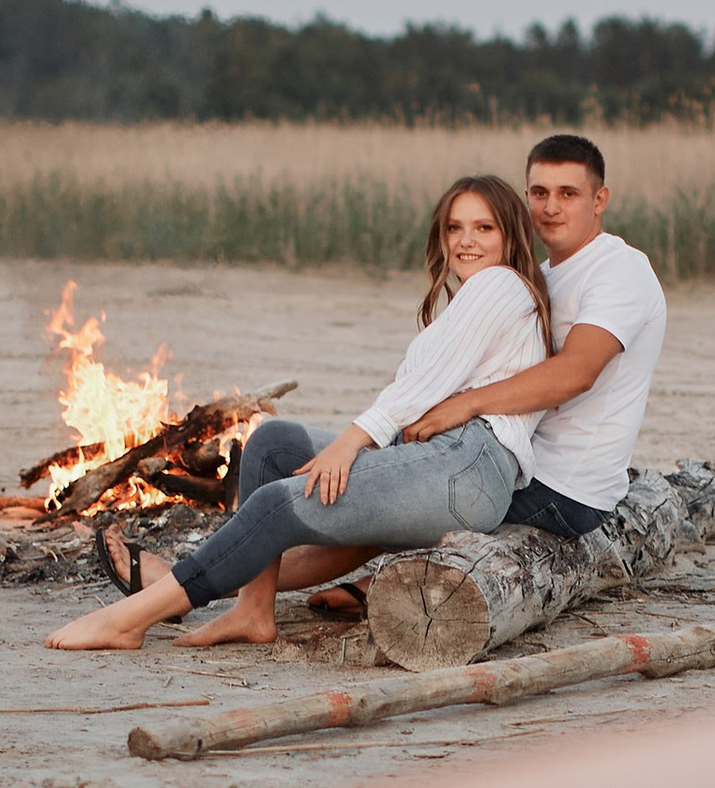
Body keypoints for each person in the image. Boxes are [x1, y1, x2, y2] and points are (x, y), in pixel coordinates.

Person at [45, 175, 549, 653]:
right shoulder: (485, 299)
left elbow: (417, 391)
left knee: (277, 505)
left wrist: (351, 443)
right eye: (454, 227)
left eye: (484, 228)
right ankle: (253, 610)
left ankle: (131, 619)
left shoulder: (499, 285)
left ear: (511, 236)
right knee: (272, 444)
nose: (466, 241)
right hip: (444, 462)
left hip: (467, 466)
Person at [394, 131, 667, 535]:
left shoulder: (619, 268)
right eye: (539, 193)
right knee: (388, 477)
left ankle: (321, 577)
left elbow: (577, 371)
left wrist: (464, 406)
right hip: (512, 460)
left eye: (568, 194)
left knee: (402, 496)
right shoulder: (542, 277)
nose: (550, 208)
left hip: (564, 488)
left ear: (599, 200)